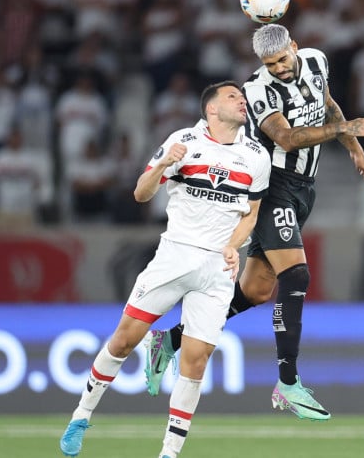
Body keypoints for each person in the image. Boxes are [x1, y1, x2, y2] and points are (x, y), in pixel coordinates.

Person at [143, 24, 364, 421]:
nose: (280, 69)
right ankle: (287, 383)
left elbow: (329, 105)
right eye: (271, 64)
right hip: (271, 188)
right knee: (297, 277)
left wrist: (353, 147)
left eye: (283, 60)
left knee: (254, 291)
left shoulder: (317, 62)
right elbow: (286, 140)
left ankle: (168, 341)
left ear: (295, 47)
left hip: (304, 188)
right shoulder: (257, 90)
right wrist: (345, 129)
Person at [59, 81, 270, 458]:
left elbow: (251, 215)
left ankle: (169, 452)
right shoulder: (184, 140)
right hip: (175, 256)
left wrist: (233, 246)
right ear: (211, 109)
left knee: (196, 359)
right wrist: (162, 164)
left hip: (218, 267)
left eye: (243, 97)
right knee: (124, 340)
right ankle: (81, 416)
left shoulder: (256, 155)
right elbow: (141, 193)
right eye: (232, 97)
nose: (242, 102)